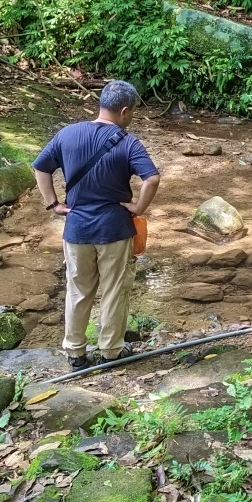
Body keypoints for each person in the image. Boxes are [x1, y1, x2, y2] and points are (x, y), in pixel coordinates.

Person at [33, 80, 160, 369]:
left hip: (76, 228)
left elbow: (40, 167)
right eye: (133, 113)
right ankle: (111, 351)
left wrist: (53, 203)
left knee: (78, 288)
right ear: (124, 111)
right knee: (114, 289)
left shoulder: (68, 134)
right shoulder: (128, 142)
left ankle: (75, 352)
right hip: (114, 229)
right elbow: (151, 179)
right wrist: (139, 207)